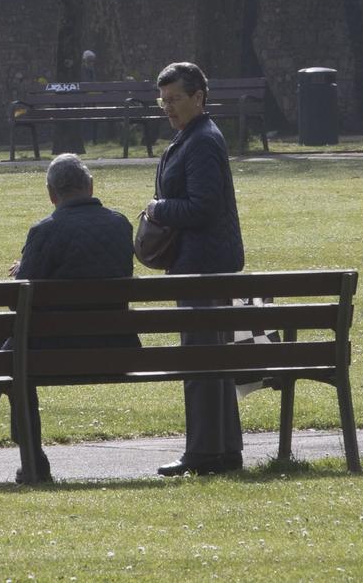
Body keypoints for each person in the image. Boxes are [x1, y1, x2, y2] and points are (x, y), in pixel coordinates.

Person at [0, 153, 136, 484]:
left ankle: (7, 442)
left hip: (50, 355)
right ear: (90, 186)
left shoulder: (45, 231)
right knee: (11, 347)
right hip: (115, 349)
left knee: (14, 352)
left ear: (52, 194)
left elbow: (19, 305)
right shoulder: (120, 224)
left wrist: (22, 270)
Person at [144, 60, 246, 476]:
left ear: (198, 98)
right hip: (205, 263)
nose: (167, 107)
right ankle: (223, 451)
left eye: (175, 100)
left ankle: (203, 454)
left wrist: (158, 208)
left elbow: (203, 207)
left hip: (202, 266)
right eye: (163, 100)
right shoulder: (195, 136)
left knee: (201, 363)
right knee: (213, 361)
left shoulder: (201, 140)